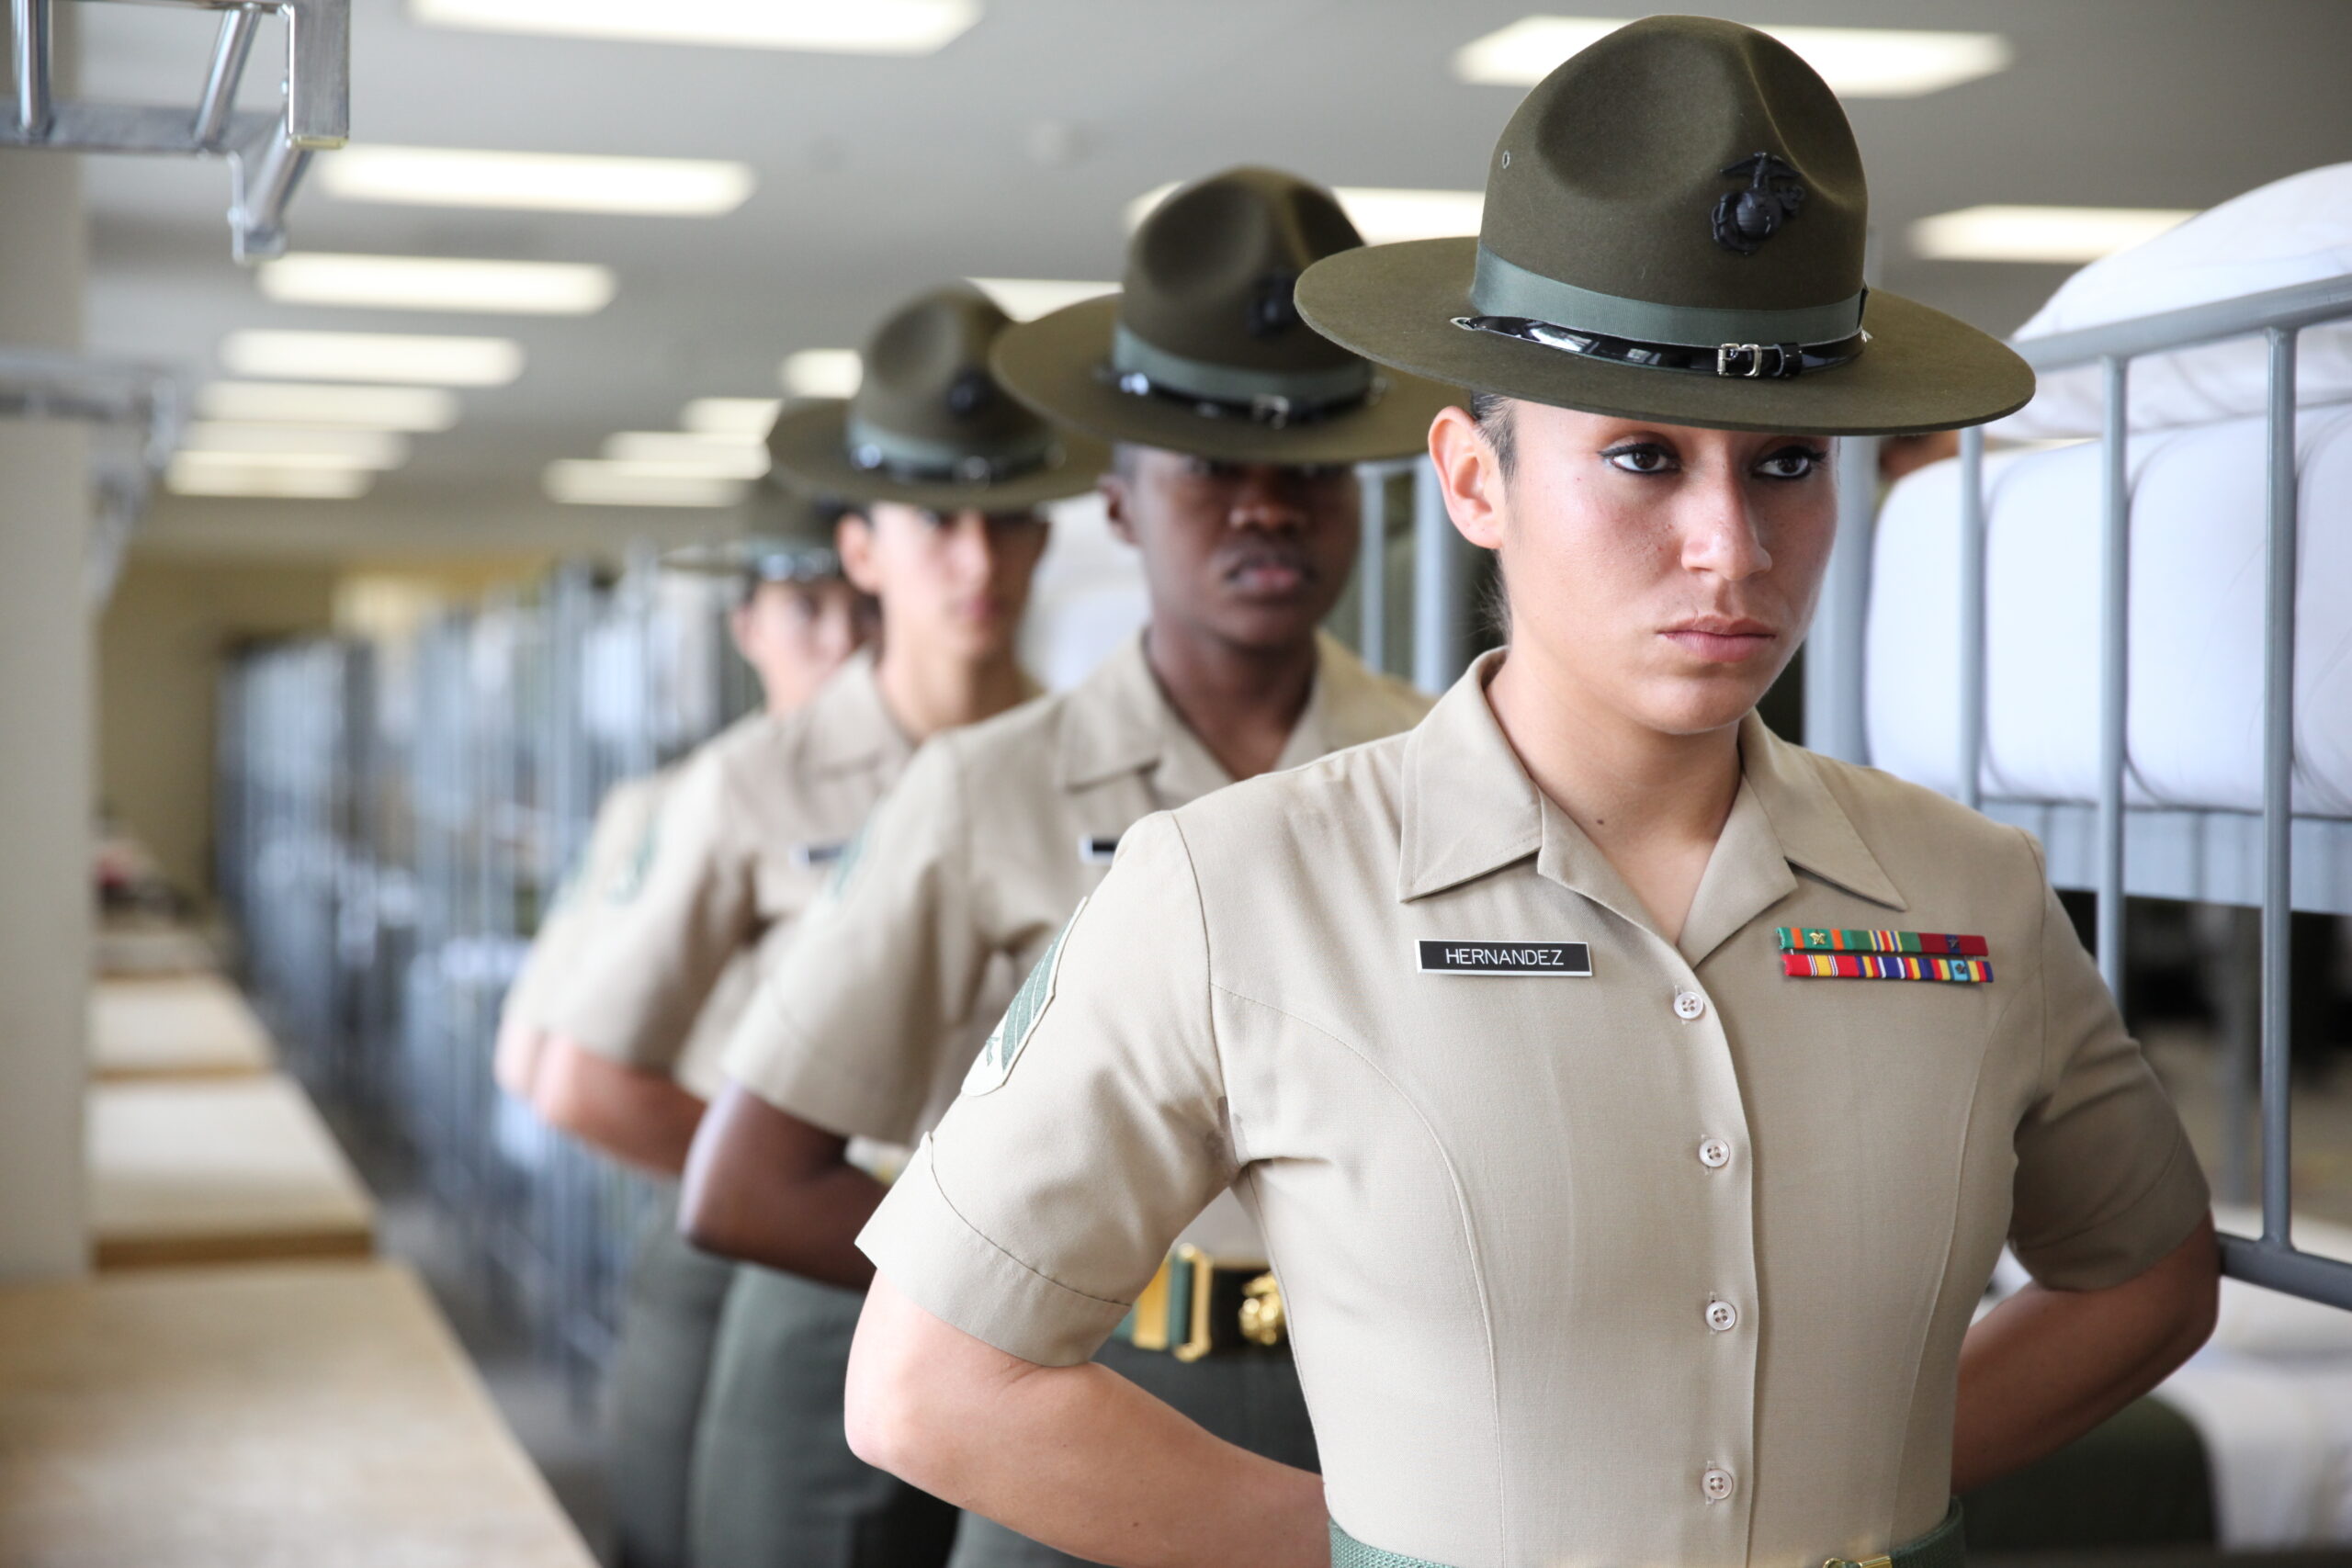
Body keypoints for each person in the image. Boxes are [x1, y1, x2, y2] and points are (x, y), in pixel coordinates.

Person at [840, 20, 2220, 1568]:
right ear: (1473, 479)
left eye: (1784, 467)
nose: (1731, 550)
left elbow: (2145, 1276)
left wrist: (1823, 1489)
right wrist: (1367, 1545)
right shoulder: (1235, 889)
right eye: (1642, 457)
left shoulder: (1969, 889)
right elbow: (931, 1384)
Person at [676, 166, 1453, 1568]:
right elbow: (748, 1176)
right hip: (1096, 1419)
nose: (1267, 506)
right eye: (1213, 464)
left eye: (1311, 465)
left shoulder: (1447, 770)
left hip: (1385, 1423)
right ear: (1118, 498)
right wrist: (1038, 1277)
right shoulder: (984, 788)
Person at [548, 284, 1102, 1568]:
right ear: (862, 550)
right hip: (818, 1285)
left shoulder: (1099, 769)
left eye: (1009, 518)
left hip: (1057, 1310)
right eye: (935, 521)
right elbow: (588, 1074)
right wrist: (840, 1203)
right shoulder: (753, 780)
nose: (976, 560)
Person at [494, 471, 871, 1568]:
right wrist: (769, 1177)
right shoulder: (680, 804)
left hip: (947, 1235)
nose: (840, 641)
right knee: (688, 1530)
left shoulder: (979, 782)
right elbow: (539, 1056)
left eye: (860, 606)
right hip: (743, 1235)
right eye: (805, 608)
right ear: (748, 625)